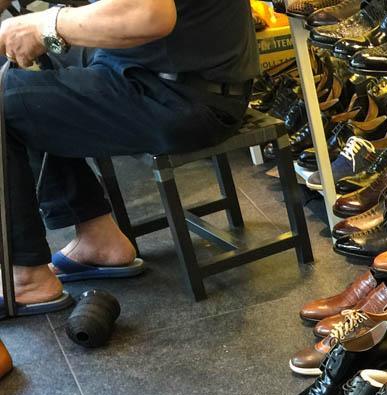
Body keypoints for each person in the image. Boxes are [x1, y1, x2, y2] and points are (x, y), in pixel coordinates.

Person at [0, 0, 258, 315]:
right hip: (158, 69)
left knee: (4, 98)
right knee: (27, 61)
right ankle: (98, 238)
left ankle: (26, 278)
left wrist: (45, 25)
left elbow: (148, 13)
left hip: (180, 95)